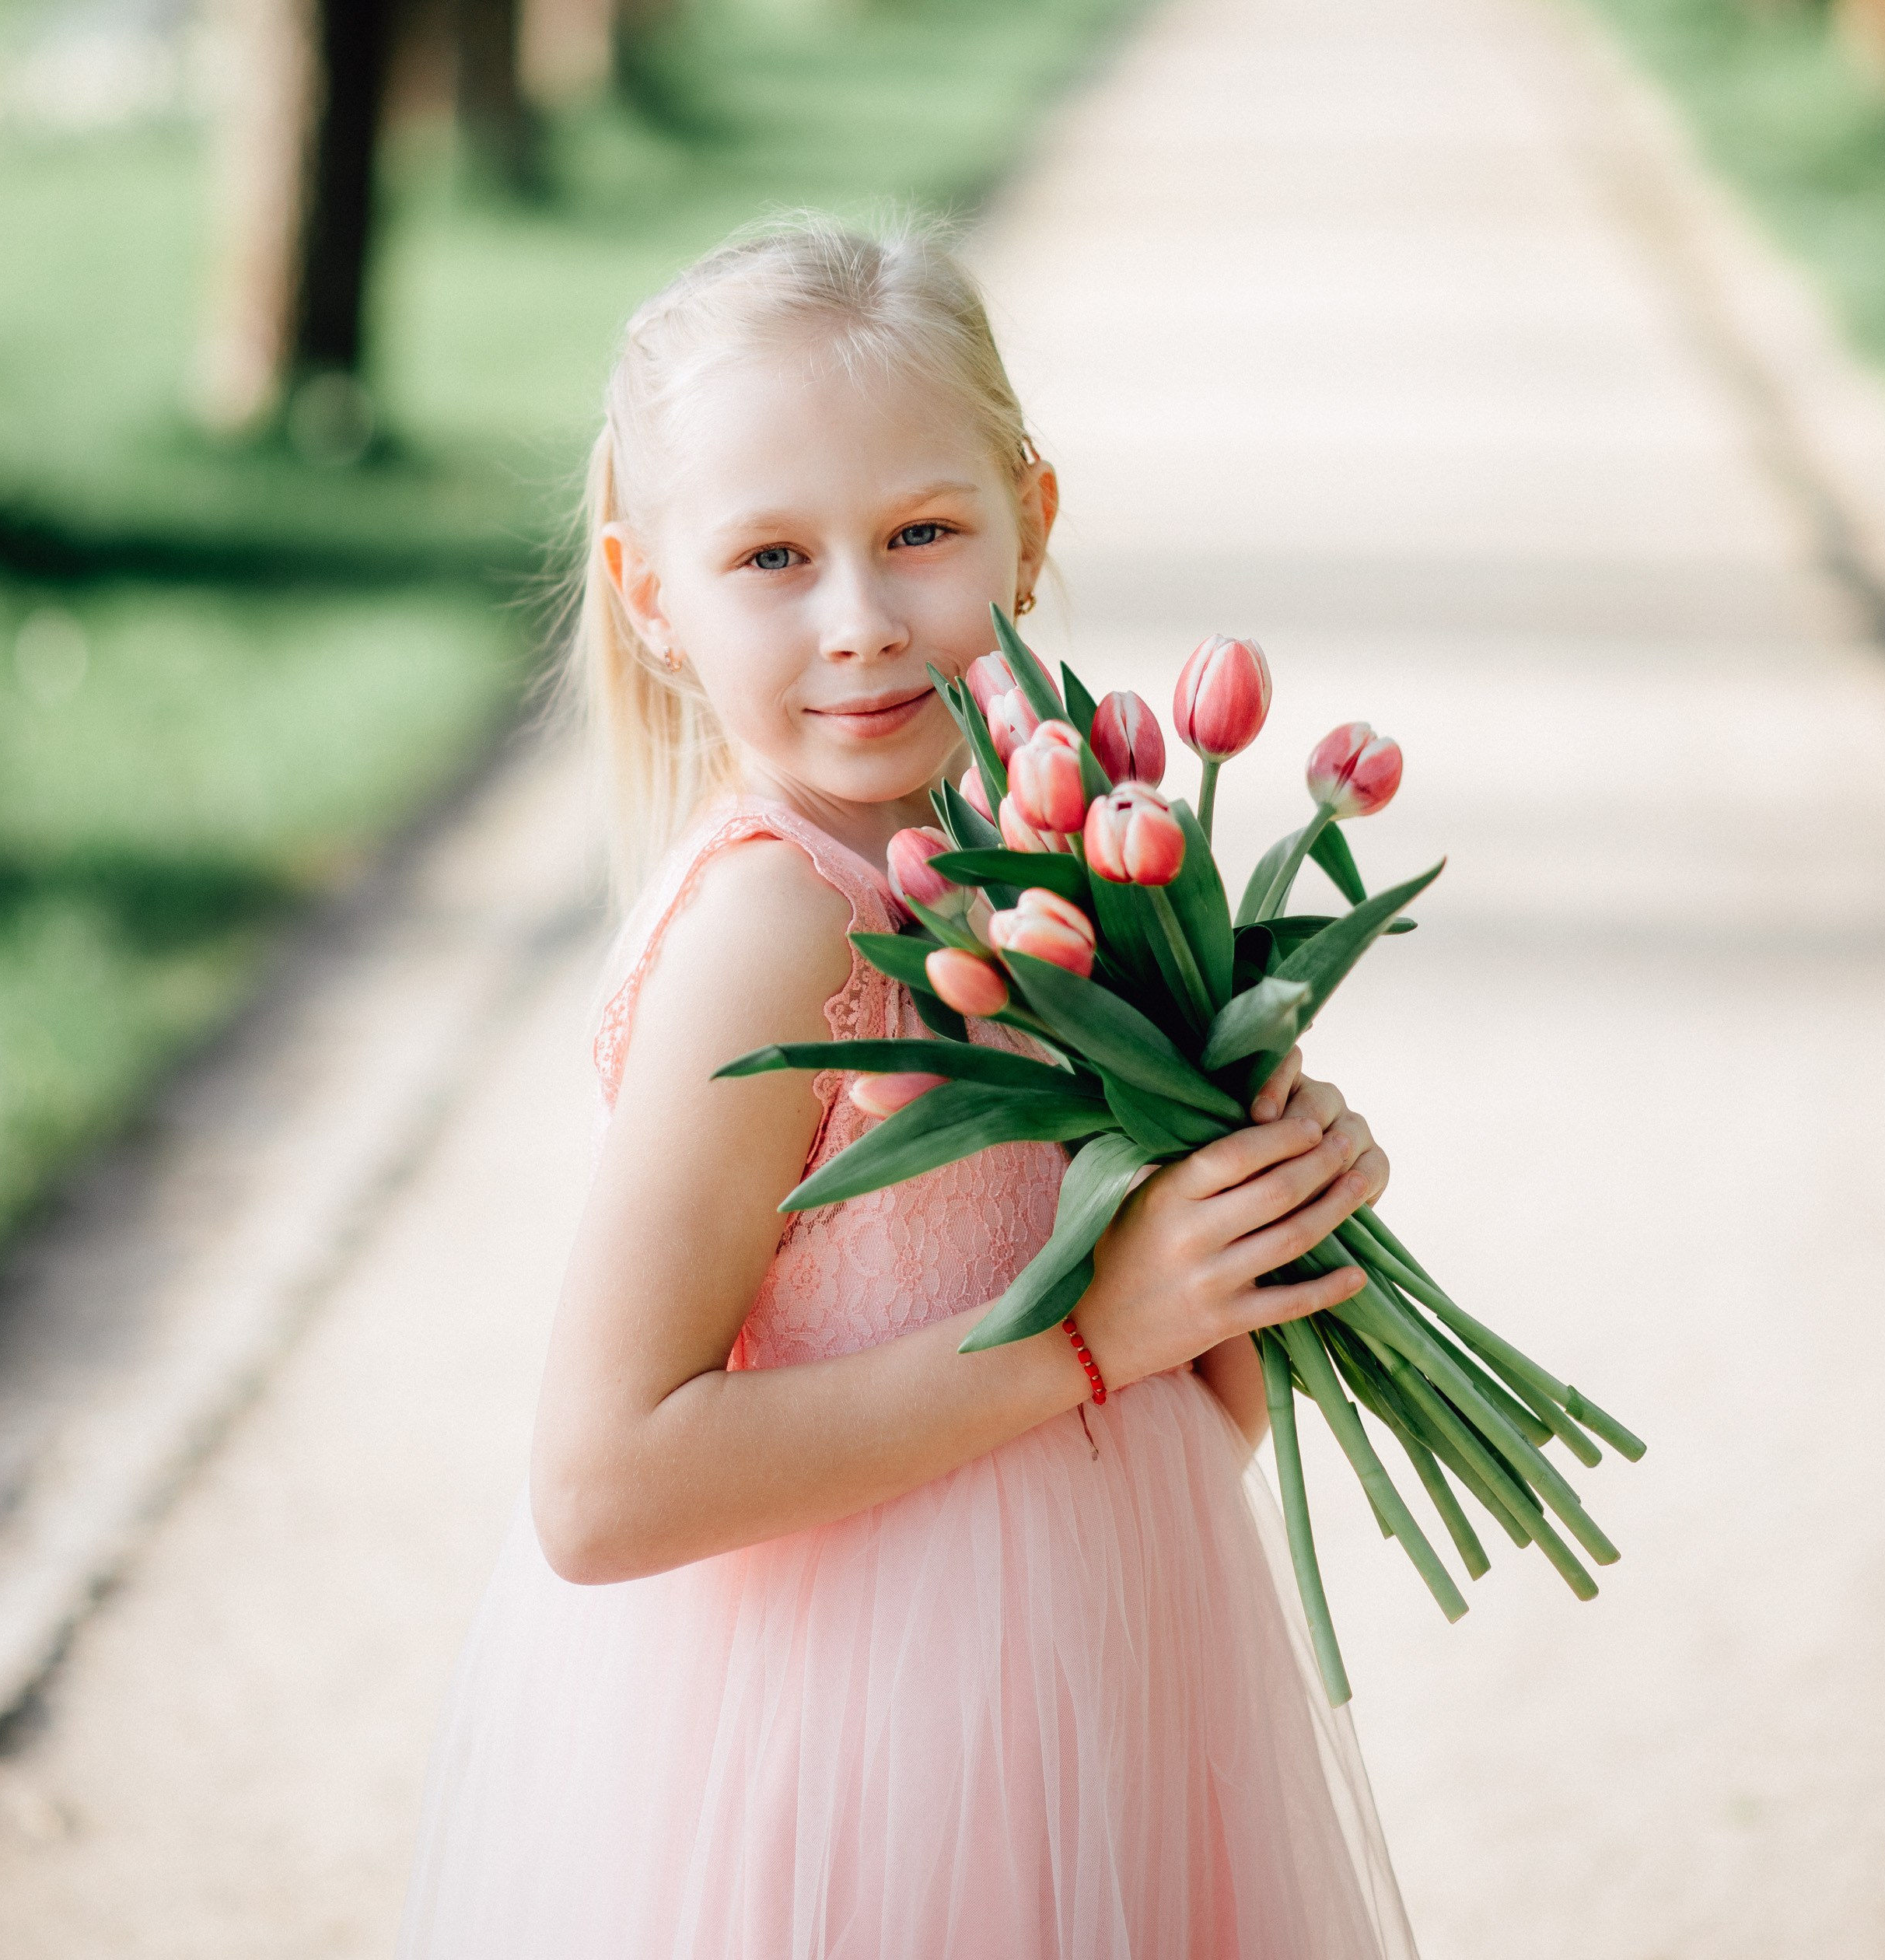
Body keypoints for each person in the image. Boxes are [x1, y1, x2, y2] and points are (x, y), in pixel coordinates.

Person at [398, 217, 1418, 1959]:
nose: (862, 622)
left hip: (1117, 1678)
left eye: (921, 534)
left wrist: (1244, 1195)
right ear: (655, 597)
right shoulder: (777, 926)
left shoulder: (1059, 870)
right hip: (858, 1750)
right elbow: (601, 1485)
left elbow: (1199, 1423)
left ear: (1033, 524)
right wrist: (1093, 1330)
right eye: (773, 557)